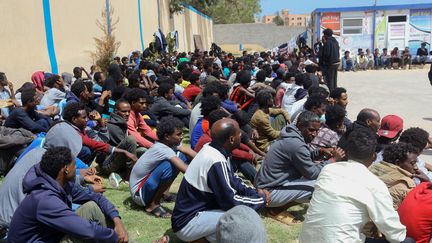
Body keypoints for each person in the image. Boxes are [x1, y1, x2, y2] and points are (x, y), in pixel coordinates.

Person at [299, 129, 408, 243]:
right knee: (407, 241)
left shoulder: (328, 169)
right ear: (374, 157)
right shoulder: (375, 185)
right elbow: (395, 235)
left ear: (346, 152)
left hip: (307, 239)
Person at [172, 118, 269, 242]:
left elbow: (234, 180)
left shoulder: (213, 149)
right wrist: (261, 199)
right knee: (244, 219)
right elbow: (230, 201)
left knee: (239, 219)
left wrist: (256, 192)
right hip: (187, 223)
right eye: (240, 133)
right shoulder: (215, 160)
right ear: (231, 139)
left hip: (197, 215)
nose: (242, 135)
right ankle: (197, 239)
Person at [7, 147, 128, 243]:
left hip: (51, 236)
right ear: (66, 169)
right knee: (86, 234)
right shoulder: (44, 199)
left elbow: (96, 197)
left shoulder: (62, 184)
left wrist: (117, 221)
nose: (77, 170)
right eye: (75, 166)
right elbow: (87, 230)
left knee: (91, 206)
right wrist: (115, 237)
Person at [0, 122, 102, 231]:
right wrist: (89, 189)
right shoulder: (43, 162)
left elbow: (55, 181)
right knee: (87, 216)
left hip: (8, 218)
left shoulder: (37, 153)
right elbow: (58, 188)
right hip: (13, 226)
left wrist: (83, 178)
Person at [255, 111, 344, 225]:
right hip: (268, 193)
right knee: (320, 186)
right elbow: (311, 173)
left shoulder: (291, 134)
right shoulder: (296, 144)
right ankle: (275, 210)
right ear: (301, 126)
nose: (315, 134)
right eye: (311, 130)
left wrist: (319, 152)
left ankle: (277, 206)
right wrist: (333, 160)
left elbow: (301, 157)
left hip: (267, 185)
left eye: (317, 130)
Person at [130, 117, 196, 218]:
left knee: (181, 155)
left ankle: (164, 193)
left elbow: (189, 152)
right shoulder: (163, 149)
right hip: (139, 194)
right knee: (172, 164)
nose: (182, 136)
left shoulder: (168, 143)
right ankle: (152, 205)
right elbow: (186, 170)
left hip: (144, 188)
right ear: (167, 136)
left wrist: (208, 162)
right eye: (178, 134)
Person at [63, 102, 137, 167]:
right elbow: (98, 144)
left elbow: (101, 141)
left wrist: (100, 121)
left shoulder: (86, 129)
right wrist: (124, 151)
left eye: (128, 111)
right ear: (74, 119)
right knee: (86, 151)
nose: (86, 120)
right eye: (84, 118)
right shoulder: (71, 132)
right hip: (68, 163)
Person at [370, 143, 426, 209]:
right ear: (398, 163)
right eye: (413, 163)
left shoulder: (372, 168)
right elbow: (419, 207)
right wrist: (426, 183)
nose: (416, 167)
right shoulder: (406, 184)